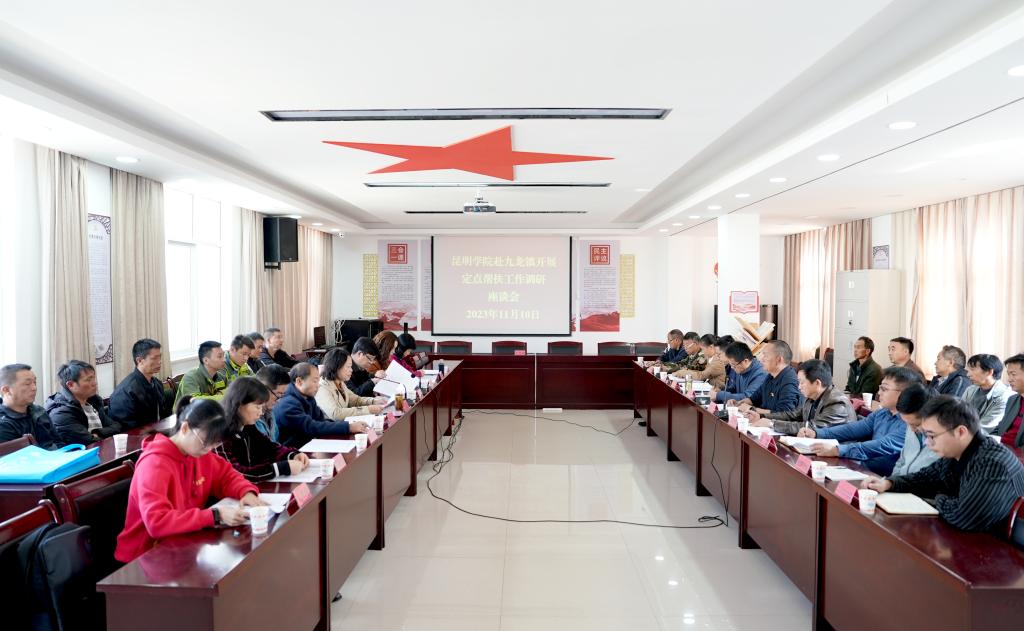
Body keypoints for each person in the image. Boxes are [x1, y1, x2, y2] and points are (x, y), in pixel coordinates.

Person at [114, 397, 265, 562]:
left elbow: (226, 476)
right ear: (185, 428)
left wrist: (246, 492)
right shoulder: (154, 464)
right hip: (145, 555)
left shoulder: (197, 453)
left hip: (182, 544)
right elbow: (157, 522)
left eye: (214, 444)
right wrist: (215, 515)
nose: (208, 449)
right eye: (205, 442)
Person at [862, 395, 1024, 532]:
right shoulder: (958, 452)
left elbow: (963, 517)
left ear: (961, 432)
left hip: (996, 549)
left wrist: (937, 498)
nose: (927, 442)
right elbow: (925, 478)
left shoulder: (993, 463)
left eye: (932, 436)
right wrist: (889, 483)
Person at [797, 366, 922, 476]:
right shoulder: (882, 413)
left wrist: (837, 450)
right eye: (880, 388)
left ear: (904, 393)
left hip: (888, 478)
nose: (879, 393)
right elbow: (853, 429)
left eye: (884, 389)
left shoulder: (911, 423)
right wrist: (817, 433)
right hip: (867, 470)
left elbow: (882, 445)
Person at [215, 377, 309, 481]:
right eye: (257, 407)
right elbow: (235, 473)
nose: (261, 413)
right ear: (240, 404)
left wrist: (292, 455)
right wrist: (280, 468)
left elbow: (270, 448)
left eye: (262, 407)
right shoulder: (219, 433)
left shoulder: (247, 426)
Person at [748, 359, 856, 435]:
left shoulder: (837, 403)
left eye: (802, 382)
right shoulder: (812, 397)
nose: (799, 387)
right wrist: (762, 416)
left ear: (817, 383)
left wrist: (772, 424)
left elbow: (812, 428)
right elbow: (793, 415)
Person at [274, 362, 369, 448]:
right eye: (315, 381)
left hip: (310, 446)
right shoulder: (287, 404)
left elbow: (321, 420)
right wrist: (348, 427)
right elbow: (312, 427)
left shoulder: (308, 397)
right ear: (299, 381)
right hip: (294, 452)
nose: (318, 385)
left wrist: (349, 425)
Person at [45, 360, 121, 445]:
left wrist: (98, 433)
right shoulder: (61, 413)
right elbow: (87, 441)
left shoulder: (93, 401)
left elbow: (116, 427)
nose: (95, 383)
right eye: (88, 380)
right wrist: (102, 434)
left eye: (93, 378)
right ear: (70, 385)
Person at [108, 338, 167, 429]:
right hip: (137, 435)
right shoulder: (125, 391)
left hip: (157, 431)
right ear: (139, 360)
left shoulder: (157, 383)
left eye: (160, 357)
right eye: (154, 358)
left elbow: (163, 415)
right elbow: (126, 429)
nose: (159, 361)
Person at [0, 363, 62, 448]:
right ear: (6, 390)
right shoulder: (3, 424)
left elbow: (59, 442)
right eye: (27, 384)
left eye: (34, 382)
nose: (34, 388)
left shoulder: (39, 411)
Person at [315, 348, 388, 420]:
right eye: (348, 367)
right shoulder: (322, 387)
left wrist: (374, 401)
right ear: (336, 366)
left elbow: (356, 400)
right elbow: (336, 414)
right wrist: (368, 409)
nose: (351, 370)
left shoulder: (340, 383)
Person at [733, 340, 802, 415]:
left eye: (765, 355)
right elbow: (753, 399)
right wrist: (738, 403)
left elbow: (784, 413)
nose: (761, 359)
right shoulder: (770, 375)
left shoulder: (789, 381)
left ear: (779, 360)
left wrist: (752, 409)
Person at [890, 384, 941, 477]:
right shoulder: (912, 426)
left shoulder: (945, 442)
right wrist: (890, 482)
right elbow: (901, 461)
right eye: (907, 423)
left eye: (916, 425)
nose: (912, 429)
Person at [960, 354, 1013, 430]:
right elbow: (959, 414)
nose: (968, 374)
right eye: (968, 370)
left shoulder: (1004, 396)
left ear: (989, 372)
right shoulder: (970, 390)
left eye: (972, 369)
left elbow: (986, 427)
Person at [173, 341, 229, 409]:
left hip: (211, 412)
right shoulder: (190, 377)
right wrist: (221, 396)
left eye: (223, 355)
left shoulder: (221, 377)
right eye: (219, 356)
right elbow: (195, 402)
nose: (224, 360)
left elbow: (231, 393)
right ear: (206, 360)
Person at [990, 353, 1024, 450]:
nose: (1009, 380)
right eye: (1008, 375)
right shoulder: (1012, 399)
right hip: (1001, 449)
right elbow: (1000, 428)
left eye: (1013, 374)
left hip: (1015, 454)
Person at [255, 364, 291, 442]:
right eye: (278, 395)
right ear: (263, 390)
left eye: (283, 395)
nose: (279, 402)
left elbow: (276, 442)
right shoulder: (250, 419)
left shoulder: (269, 412)